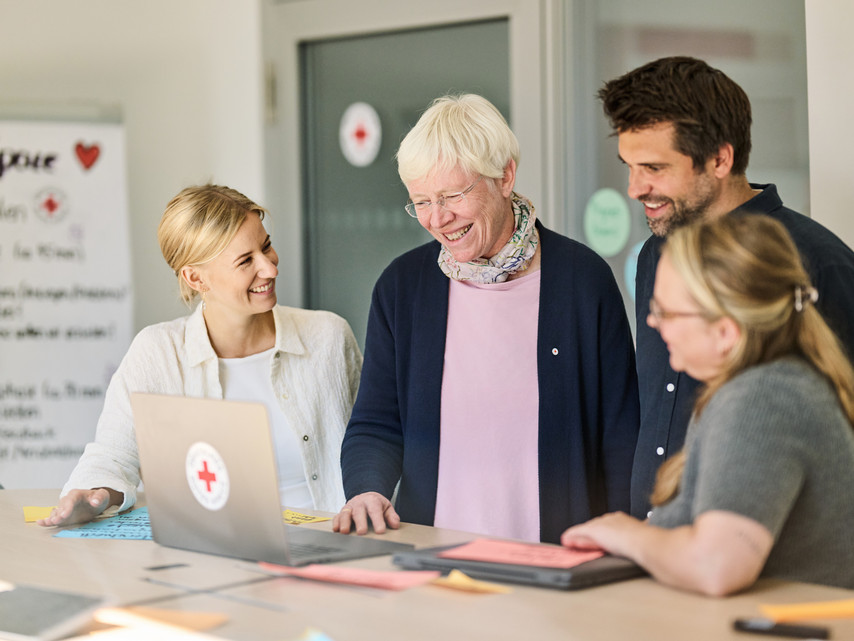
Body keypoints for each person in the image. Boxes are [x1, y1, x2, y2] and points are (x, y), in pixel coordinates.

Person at [332, 93, 639, 544]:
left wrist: (623, 549)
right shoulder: (402, 288)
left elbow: (621, 437)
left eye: (452, 196)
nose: (438, 219)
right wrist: (367, 490)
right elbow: (377, 423)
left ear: (505, 176)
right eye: (421, 201)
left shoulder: (582, 281)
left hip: (558, 557)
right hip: (435, 556)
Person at [598, 56, 854, 518]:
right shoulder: (656, 254)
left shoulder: (816, 262)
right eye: (629, 166)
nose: (634, 188)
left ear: (720, 159)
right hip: (658, 538)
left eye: (654, 167)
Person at [561, 213, 854, 595]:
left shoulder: (763, 399)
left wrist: (625, 534)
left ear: (725, 332)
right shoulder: (757, 387)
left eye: (666, 312)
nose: (652, 323)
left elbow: (716, 566)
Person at [39, 184, 362, 527]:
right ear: (195, 278)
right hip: (214, 550)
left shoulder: (328, 337)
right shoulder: (158, 353)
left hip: (330, 542)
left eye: (266, 246)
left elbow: (373, 441)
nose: (270, 269)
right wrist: (95, 496)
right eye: (245, 261)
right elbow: (112, 455)